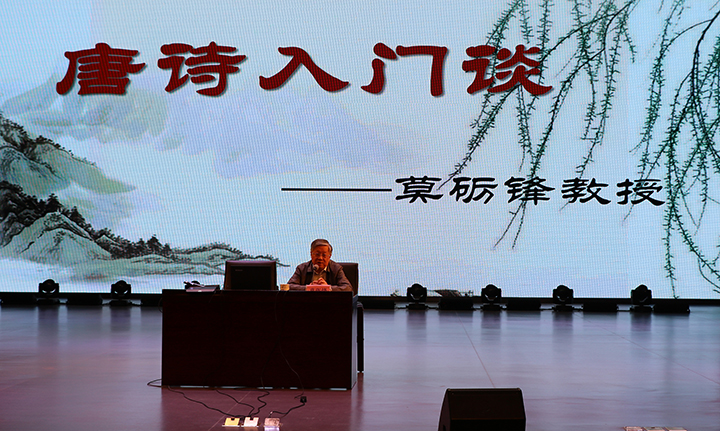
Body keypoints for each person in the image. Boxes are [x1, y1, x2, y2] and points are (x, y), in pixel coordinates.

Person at [287, 239, 353, 292]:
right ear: (311, 254)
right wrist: (308, 288)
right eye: (317, 254)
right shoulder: (302, 268)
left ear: (329, 256)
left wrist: (327, 288)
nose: (320, 258)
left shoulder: (336, 269)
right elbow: (289, 286)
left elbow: (347, 288)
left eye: (324, 255)